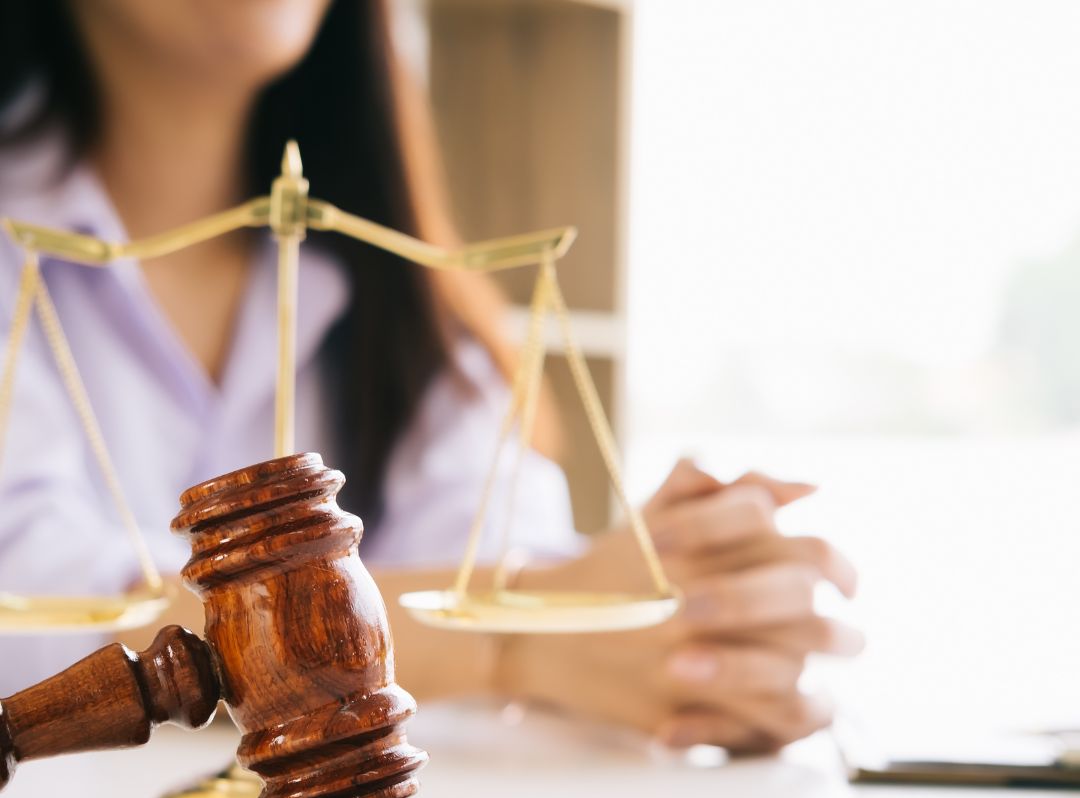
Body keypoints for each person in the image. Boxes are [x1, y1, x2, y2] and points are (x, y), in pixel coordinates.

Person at [0, 0, 861, 751]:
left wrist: (700, 617)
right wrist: (519, 642)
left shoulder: (398, 293)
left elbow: (503, 555)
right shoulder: (21, 262)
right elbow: (40, 626)